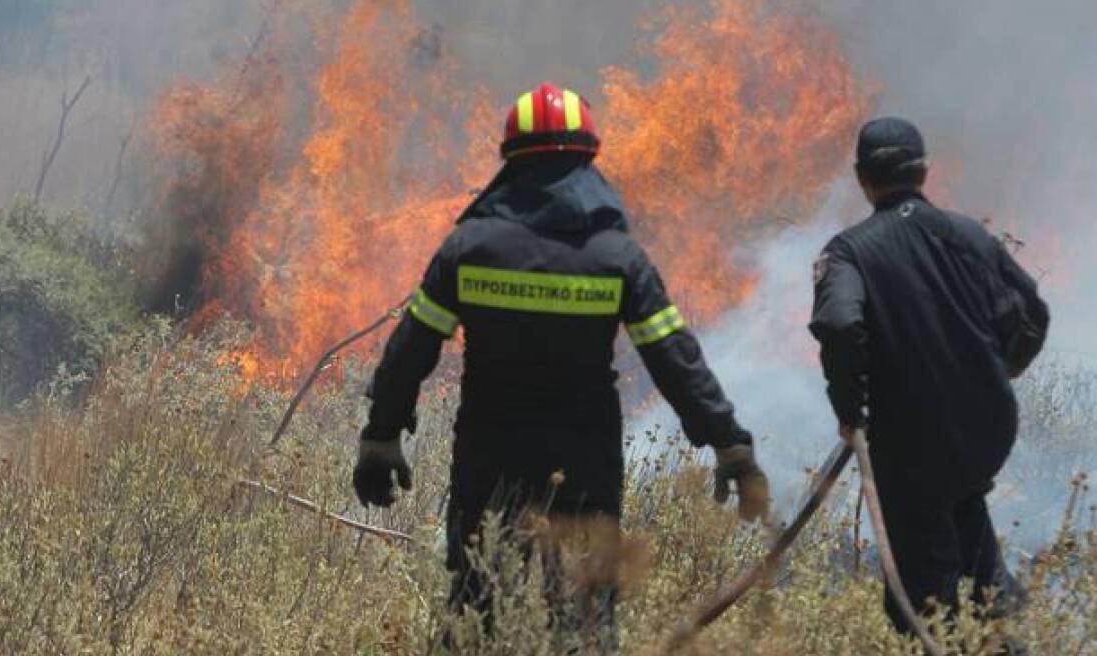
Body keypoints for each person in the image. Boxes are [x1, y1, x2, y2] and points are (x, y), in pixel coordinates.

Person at [352, 83, 769, 651]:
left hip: (489, 455)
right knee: (585, 620)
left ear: (510, 161)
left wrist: (381, 435)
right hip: (584, 463)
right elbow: (675, 360)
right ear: (588, 161)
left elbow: (412, 348)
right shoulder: (615, 257)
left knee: (476, 609)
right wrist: (730, 444)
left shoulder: (470, 247)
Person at [810, 117, 1049, 649]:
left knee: (924, 591)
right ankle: (1001, 619)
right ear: (923, 171)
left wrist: (849, 408)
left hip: (911, 439)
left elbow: (840, 323)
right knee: (964, 511)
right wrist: (1003, 367)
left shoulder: (849, 251)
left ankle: (944, 634)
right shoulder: (968, 235)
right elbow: (1033, 312)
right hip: (987, 429)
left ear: (862, 177)